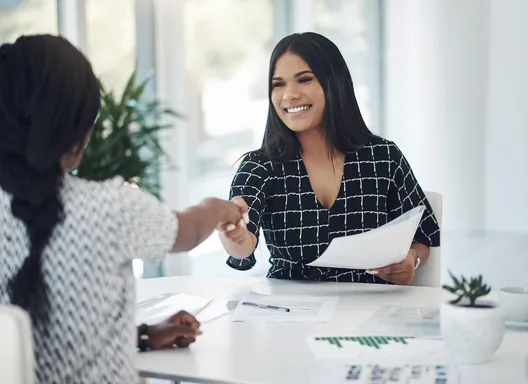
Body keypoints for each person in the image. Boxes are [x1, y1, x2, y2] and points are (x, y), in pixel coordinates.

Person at [0, 34, 248, 383]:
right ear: (79, 129)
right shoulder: (109, 207)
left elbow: (34, 339)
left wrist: (144, 334)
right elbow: (187, 232)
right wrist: (216, 208)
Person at [220, 32, 440, 285]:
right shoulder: (259, 166)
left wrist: (412, 259)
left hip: (370, 309)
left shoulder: (383, 157)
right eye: (278, 84)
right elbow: (243, 248)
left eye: (304, 80)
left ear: (335, 83)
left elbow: (424, 236)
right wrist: (233, 233)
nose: (289, 95)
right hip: (289, 313)